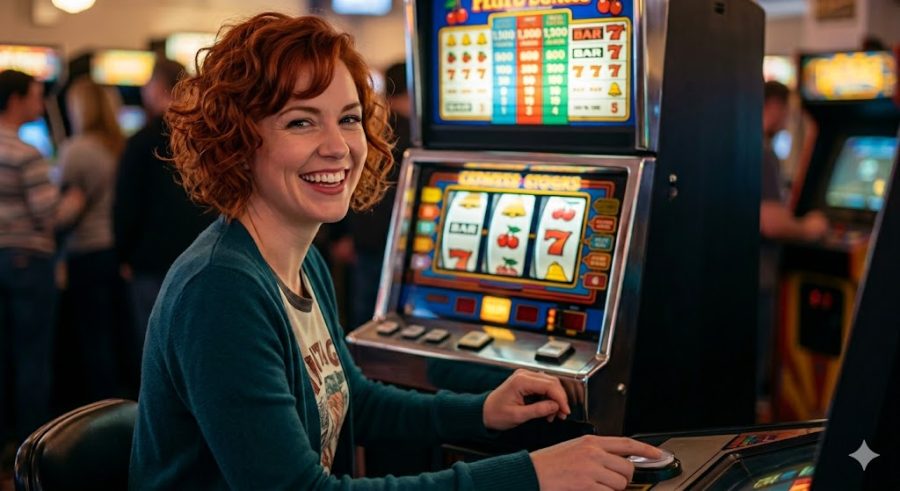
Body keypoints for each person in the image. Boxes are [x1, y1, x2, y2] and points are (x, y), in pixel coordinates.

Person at [129, 13, 660, 490]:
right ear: (237, 141)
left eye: (349, 117)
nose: (338, 146)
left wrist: (481, 412)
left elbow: (352, 395)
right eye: (301, 120)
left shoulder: (299, 256)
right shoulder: (221, 288)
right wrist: (529, 474)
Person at [113, 58, 213, 381]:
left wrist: (124, 254)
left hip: (150, 259)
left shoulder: (142, 140)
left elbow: (126, 205)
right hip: (200, 252)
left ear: (158, 87)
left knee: (154, 350)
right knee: (195, 346)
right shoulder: (206, 134)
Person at [757, 81, 829, 411]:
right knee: (756, 369)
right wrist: (810, 228)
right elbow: (770, 222)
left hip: (735, 276)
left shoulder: (737, 143)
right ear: (773, 106)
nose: (786, 121)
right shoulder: (764, 152)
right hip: (759, 279)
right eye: (785, 112)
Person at [56, 76, 127, 401]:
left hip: (86, 250)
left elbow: (67, 209)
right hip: (114, 249)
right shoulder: (121, 144)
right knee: (115, 334)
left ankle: (96, 413)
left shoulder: (78, 149)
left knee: (91, 337)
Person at [0, 70, 59, 447]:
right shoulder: (27, 152)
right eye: (36, 96)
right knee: (32, 356)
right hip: (27, 260)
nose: (42, 104)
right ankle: (31, 447)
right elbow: (47, 213)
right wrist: (77, 198)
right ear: (17, 99)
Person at [331, 61, 410, 329]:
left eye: (348, 119)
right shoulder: (417, 136)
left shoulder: (375, 127)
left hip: (365, 241)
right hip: (402, 246)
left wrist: (341, 234)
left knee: (364, 322)